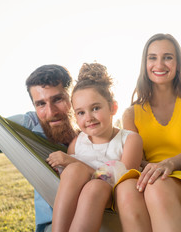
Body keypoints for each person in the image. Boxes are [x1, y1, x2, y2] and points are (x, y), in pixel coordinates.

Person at [116, 33, 181, 232]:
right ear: (145, 63)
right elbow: (136, 159)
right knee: (124, 189)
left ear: (178, 63)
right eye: (152, 57)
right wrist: (155, 168)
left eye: (167, 57)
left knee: (157, 186)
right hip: (147, 174)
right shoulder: (131, 114)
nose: (159, 64)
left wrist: (167, 166)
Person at [46, 63, 143, 232]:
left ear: (113, 107)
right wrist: (65, 165)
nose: (89, 117)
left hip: (111, 196)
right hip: (81, 199)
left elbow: (121, 180)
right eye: (81, 113)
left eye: (95, 108)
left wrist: (70, 161)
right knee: (73, 171)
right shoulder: (78, 142)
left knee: (93, 186)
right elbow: (68, 183)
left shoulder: (129, 140)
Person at [0, 64, 77, 231]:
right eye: (40, 104)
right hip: (52, 224)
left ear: (73, 96)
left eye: (58, 99)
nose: (51, 111)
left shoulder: (93, 128)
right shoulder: (30, 125)